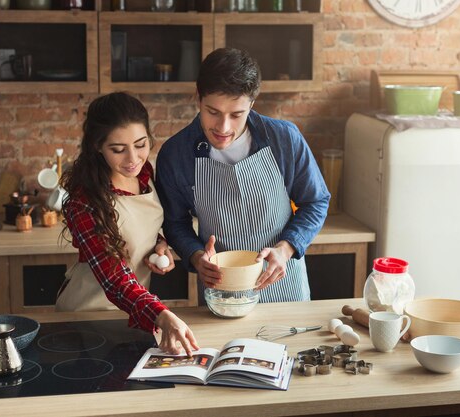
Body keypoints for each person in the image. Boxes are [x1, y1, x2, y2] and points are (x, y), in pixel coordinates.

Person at [155, 48, 330, 303]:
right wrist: (195, 256)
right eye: (212, 112)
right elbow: (174, 222)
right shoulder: (176, 154)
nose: (223, 127)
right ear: (198, 99)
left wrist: (285, 249)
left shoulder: (284, 139)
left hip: (284, 285)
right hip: (220, 292)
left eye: (236, 114)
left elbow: (315, 201)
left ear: (252, 103)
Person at [55, 92, 198, 356]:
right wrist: (161, 314)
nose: (133, 158)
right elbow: (115, 280)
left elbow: (140, 225)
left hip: (133, 310)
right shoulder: (85, 201)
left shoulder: (145, 174)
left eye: (141, 144)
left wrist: (158, 244)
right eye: (118, 150)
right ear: (98, 146)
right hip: (88, 316)